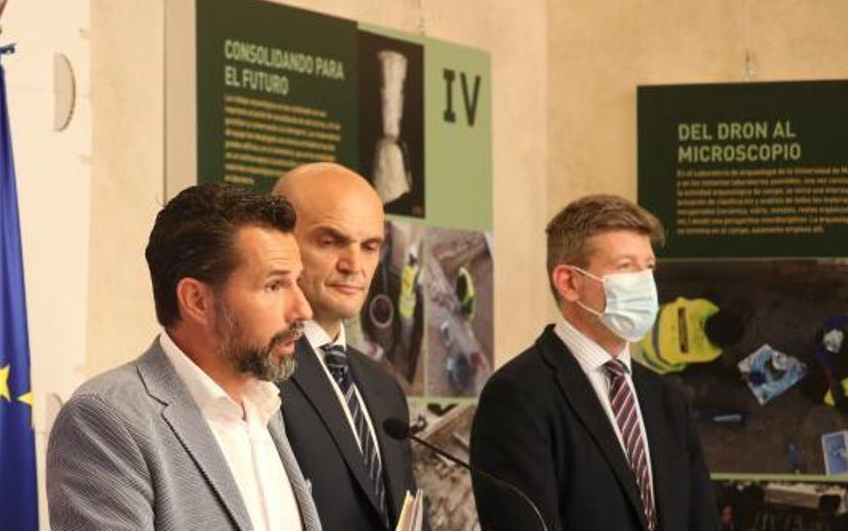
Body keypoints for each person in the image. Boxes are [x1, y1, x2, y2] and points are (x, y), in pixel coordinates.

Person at [45, 183, 321, 530]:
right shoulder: (105, 419)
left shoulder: (267, 409)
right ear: (196, 301)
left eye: (297, 282)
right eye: (274, 286)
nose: (303, 310)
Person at [470, 194, 717, 531]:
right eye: (625, 266)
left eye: (649, 267)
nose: (646, 283)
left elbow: (701, 520)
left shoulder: (666, 398)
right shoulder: (518, 396)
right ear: (570, 283)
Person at [274, 163, 418, 530]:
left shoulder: (383, 386)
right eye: (330, 241)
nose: (355, 265)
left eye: (370, 247)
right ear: (280, 241)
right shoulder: (257, 375)